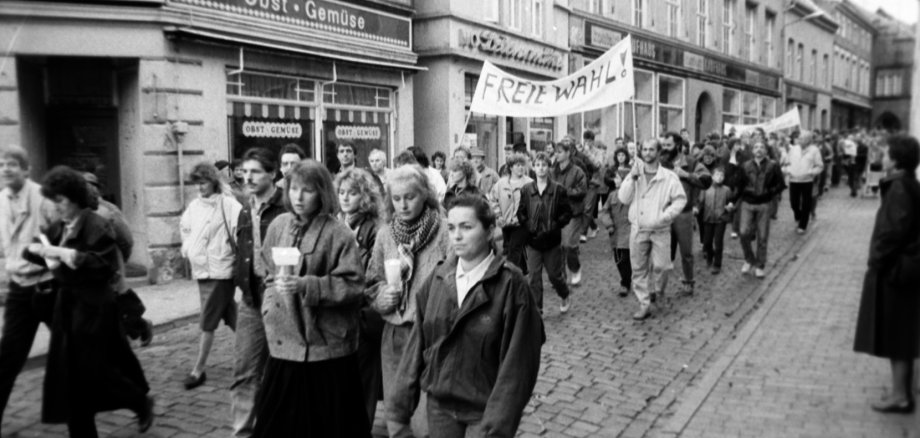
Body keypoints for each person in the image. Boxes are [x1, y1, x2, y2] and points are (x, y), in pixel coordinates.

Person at [389, 194, 544, 437]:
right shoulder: (438, 279)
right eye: (451, 228)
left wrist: (496, 427)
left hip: (483, 414)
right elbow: (416, 345)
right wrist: (398, 413)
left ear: (490, 230)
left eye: (467, 227)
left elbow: (518, 365)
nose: (457, 236)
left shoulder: (511, 285)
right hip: (440, 408)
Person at [25, 166, 154, 437]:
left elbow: (101, 264)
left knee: (96, 371)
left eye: (60, 200)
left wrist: (62, 253)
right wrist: (35, 250)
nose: (56, 206)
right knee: (70, 378)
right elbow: (39, 246)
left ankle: (139, 401)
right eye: (53, 200)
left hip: (95, 309)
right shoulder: (59, 225)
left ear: (74, 198)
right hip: (68, 308)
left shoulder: (96, 223)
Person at [252, 160, 368, 437]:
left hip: (325, 348)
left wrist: (308, 285)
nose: (299, 197)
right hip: (285, 345)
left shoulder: (337, 232)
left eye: (308, 190)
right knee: (277, 424)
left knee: (329, 426)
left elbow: (353, 284)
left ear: (322, 193)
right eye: (294, 189)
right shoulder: (279, 225)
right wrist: (271, 303)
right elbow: (266, 269)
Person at [366, 165, 450, 438]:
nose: (403, 204)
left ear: (424, 195)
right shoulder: (385, 234)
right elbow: (372, 280)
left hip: (432, 333)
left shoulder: (443, 231)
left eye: (410, 197)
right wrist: (381, 296)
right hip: (396, 332)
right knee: (395, 405)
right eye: (396, 198)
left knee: (429, 411)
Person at [854, 135, 920, 414]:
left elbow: (892, 231)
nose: (884, 154)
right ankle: (901, 392)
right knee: (901, 335)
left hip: (897, 272)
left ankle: (900, 396)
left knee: (898, 336)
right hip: (904, 269)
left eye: (888, 152)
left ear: (897, 159)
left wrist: (877, 262)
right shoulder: (906, 185)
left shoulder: (900, 189)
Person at [0, 145, 58, 435]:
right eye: (3, 164)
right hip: (18, 290)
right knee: (7, 359)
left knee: (74, 352)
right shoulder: (0, 200)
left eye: (13, 164)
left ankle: (136, 400)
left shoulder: (43, 198)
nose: (6, 169)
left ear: (26, 169)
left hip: (47, 287)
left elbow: (61, 237)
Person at [230, 147, 287, 437]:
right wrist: (238, 286)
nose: (247, 177)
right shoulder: (243, 207)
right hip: (251, 301)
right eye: (244, 171)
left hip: (282, 302)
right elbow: (241, 251)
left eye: (255, 171)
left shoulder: (287, 207)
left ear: (273, 174)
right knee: (244, 371)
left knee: (282, 372)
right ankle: (242, 432)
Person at [179, 162, 242, 390]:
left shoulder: (229, 205)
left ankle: (198, 369)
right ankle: (263, 355)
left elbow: (240, 233)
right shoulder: (195, 206)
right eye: (197, 183)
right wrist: (188, 248)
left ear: (213, 182)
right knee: (235, 318)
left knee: (207, 321)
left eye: (203, 182)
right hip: (202, 271)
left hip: (221, 272)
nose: (200, 187)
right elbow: (185, 228)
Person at [335, 167, 387, 429]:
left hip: (363, 311)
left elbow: (376, 273)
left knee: (364, 375)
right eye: (342, 192)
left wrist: (356, 251)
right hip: (339, 310)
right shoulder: (337, 221)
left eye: (352, 193)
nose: (345, 198)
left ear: (364, 196)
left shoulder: (374, 228)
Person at [618, 138, 686, 320]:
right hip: (639, 228)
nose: (647, 153)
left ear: (658, 152)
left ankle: (659, 291)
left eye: (651, 149)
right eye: (645, 149)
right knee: (638, 269)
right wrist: (631, 179)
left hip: (660, 229)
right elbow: (623, 198)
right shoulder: (635, 173)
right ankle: (644, 303)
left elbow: (680, 199)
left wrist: (666, 216)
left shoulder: (668, 177)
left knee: (662, 266)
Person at [83, 172, 153, 346]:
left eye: (90, 185)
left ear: (97, 188)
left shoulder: (108, 210)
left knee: (117, 300)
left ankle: (141, 326)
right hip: (89, 263)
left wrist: (120, 259)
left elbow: (126, 238)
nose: (87, 189)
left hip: (110, 259)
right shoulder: (78, 209)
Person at [517, 152, 572, 313]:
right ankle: (537, 308)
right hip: (533, 240)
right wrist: (527, 224)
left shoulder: (558, 190)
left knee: (554, 275)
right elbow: (521, 211)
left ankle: (564, 294)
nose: (541, 168)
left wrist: (555, 224)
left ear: (549, 167)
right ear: (533, 168)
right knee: (533, 276)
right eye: (538, 165)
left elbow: (566, 212)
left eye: (544, 165)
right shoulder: (526, 190)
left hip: (551, 240)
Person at [661, 132, 712, 295]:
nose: (665, 148)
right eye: (663, 145)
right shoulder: (661, 162)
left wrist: (686, 175)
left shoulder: (690, 162)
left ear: (677, 145)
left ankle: (688, 281)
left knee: (686, 252)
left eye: (668, 145)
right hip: (665, 212)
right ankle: (659, 285)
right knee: (662, 251)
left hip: (684, 213)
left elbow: (706, 181)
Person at [734, 142, 786, 278]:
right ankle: (749, 259)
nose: (759, 150)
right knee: (743, 232)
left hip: (764, 204)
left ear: (766, 151)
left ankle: (760, 264)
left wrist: (769, 192)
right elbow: (739, 185)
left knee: (762, 236)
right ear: (752, 150)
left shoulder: (773, 165)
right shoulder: (745, 166)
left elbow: (781, 184)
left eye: (762, 147)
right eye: (756, 147)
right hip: (747, 203)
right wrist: (732, 201)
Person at [489, 153, 533, 274]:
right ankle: (524, 270)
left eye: (522, 165)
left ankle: (510, 277)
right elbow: (493, 199)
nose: (521, 168)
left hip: (522, 224)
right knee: (508, 247)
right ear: (511, 167)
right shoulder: (500, 184)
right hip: (505, 223)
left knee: (513, 250)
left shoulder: (530, 183)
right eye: (517, 165)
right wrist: (498, 216)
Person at [552, 139, 587, 286]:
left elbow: (582, 190)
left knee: (569, 245)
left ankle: (575, 267)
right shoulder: (553, 171)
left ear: (568, 153)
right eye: (556, 152)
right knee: (557, 246)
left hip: (573, 213)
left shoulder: (578, 171)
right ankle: (560, 276)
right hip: (556, 213)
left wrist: (566, 192)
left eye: (560, 152)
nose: (557, 155)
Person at [782, 130, 824, 234]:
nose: (799, 140)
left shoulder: (814, 150)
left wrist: (811, 172)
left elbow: (820, 166)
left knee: (806, 203)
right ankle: (799, 215)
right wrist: (787, 170)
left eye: (801, 138)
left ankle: (803, 225)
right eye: (799, 138)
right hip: (794, 179)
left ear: (808, 140)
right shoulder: (794, 149)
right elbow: (786, 162)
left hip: (807, 181)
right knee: (794, 203)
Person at [697, 167, 733, 274]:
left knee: (718, 243)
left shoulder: (727, 190)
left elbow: (731, 202)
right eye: (717, 175)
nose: (719, 177)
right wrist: (696, 209)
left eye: (722, 175)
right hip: (708, 219)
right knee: (707, 242)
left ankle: (717, 264)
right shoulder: (705, 189)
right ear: (712, 176)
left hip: (720, 219)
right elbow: (700, 202)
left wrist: (730, 206)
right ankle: (710, 255)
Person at [602, 183, 631, 297]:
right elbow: (605, 211)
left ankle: (625, 283)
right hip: (616, 232)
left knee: (626, 258)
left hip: (630, 231)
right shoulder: (612, 196)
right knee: (619, 259)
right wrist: (609, 224)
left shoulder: (635, 194)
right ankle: (626, 279)